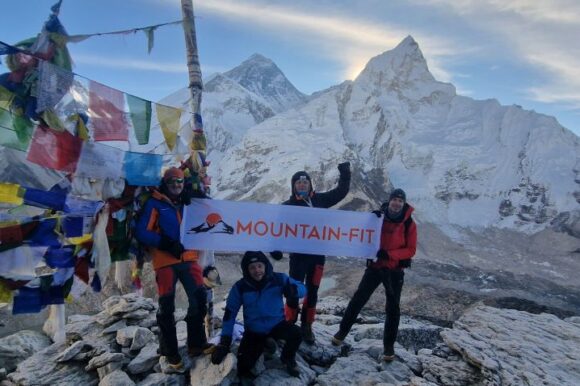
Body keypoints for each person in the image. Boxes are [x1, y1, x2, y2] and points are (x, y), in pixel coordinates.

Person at [135, 167, 213, 370]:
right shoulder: (155, 203)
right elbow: (142, 231)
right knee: (166, 306)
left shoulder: (189, 202)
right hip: (165, 261)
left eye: (179, 182)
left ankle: (196, 344)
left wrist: (199, 196)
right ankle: (169, 350)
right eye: (172, 182)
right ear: (165, 184)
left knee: (199, 299)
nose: (176, 186)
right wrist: (165, 243)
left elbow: (211, 217)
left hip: (189, 257)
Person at [331, 188, 417, 361]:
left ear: (403, 203)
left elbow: (411, 249)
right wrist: (370, 221)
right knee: (358, 299)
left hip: (394, 270)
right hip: (375, 267)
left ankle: (388, 348)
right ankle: (341, 333)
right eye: (394, 200)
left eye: (400, 201)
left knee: (392, 309)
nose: (397, 203)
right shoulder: (378, 217)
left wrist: (390, 254)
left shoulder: (409, 223)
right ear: (390, 201)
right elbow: (362, 235)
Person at [271, 162, 350, 344]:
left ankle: (307, 325)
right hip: (298, 257)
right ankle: (290, 322)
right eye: (298, 183)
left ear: (310, 184)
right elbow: (278, 229)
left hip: (317, 257)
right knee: (293, 291)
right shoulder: (287, 206)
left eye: (305, 182)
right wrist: (276, 248)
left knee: (312, 292)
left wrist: (345, 174)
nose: (302, 185)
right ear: (293, 186)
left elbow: (341, 192)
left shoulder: (321, 200)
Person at [210, 251, 306, 381]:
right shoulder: (240, 287)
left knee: (296, 333)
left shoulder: (278, 279)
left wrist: (294, 290)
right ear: (246, 269)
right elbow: (229, 314)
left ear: (265, 266)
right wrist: (224, 343)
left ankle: (287, 358)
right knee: (244, 365)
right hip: (254, 331)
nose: (257, 270)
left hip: (277, 325)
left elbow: (303, 288)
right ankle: (266, 343)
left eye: (260, 266)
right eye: (252, 267)